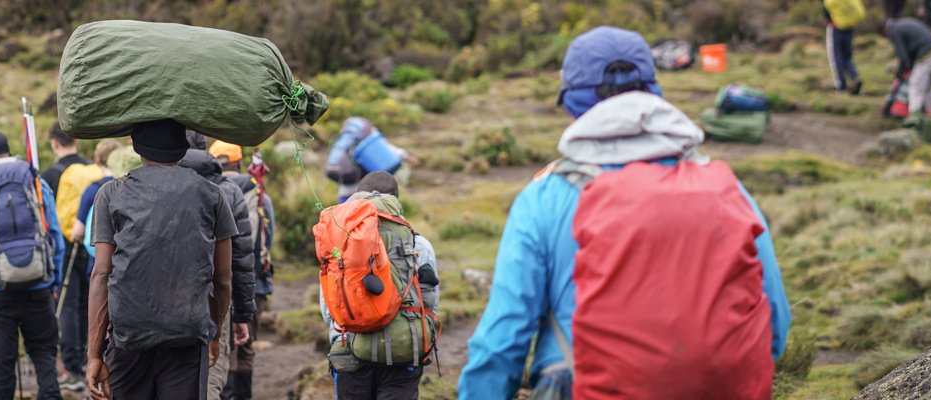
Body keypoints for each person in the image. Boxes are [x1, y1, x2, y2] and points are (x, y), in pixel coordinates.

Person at [458, 26, 791, 400]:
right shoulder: (724, 187)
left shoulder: (545, 197)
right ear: (654, 92)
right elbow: (775, 319)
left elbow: (502, 339)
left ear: (572, 105)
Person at [85, 120, 235, 400]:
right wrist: (214, 334)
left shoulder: (111, 193)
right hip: (188, 337)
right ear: (183, 148)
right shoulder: (212, 194)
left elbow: (102, 275)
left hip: (128, 339)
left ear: (135, 146)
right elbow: (223, 279)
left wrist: (94, 353)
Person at [0, 131, 66, 400]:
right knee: (44, 356)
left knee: (0, 367)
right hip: (39, 287)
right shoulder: (36, 183)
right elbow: (55, 238)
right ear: (9, 152)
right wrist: (53, 281)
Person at [320, 171, 439, 399]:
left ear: (357, 198)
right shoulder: (419, 243)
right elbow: (431, 303)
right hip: (404, 351)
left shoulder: (339, 240)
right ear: (396, 201)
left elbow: (329, 311)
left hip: (350, 352)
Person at [179, 149, 255, 400]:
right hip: (213, 302)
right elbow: (241, 260)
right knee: (210, 375)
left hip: (164, 299)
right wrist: (242, 315)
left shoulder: (161, 186)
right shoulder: (229, 191)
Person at [214, 142, 276, 400]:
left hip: (218, 283)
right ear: (238, 163)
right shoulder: (260, 196)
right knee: (246, 345)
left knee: (222, 345)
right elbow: (268, 238)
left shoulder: (209, 190)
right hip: (254, 283)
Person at [46, 124, 102, 390]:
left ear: (54, 144)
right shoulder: (93, 169)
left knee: (68, 304)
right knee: (87, 303)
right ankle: (88, 358)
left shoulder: (50, 175)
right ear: (76, 140)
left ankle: (71, 364)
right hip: (94, 244)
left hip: (65, 245)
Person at [324, 117, 416, 203]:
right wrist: (403, 154)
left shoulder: (345, 140)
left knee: (344, 216)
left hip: (344, 191)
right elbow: (384, 148)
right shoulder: (370, 134)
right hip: (363, 193)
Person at [888, 17, 931, 119]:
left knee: (915, 87)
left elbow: (904, 58)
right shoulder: (905, 22)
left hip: (926, 55)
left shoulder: (895, 31)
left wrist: (900, 73)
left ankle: (913, 121)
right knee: (928, 89)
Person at [825, 0, 863, 94]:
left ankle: (841, 86)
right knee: (847, 56)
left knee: (836, 56)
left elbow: (827, 11)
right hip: (849, 26)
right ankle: (854, 77)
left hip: (835, 27)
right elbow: (859, 11)